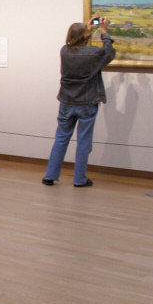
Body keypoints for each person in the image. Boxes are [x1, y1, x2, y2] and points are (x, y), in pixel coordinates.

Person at [42, 16, 116, 187]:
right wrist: (104, 31)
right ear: (84, 36)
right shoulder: (92, 53)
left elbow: (77, 47)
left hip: (66, 102)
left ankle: (50, 175)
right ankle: (79, 179)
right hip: (87, 103)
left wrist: (86, 31)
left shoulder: (64, 51)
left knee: (61, 138)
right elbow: (109, 52)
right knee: (83, 141)